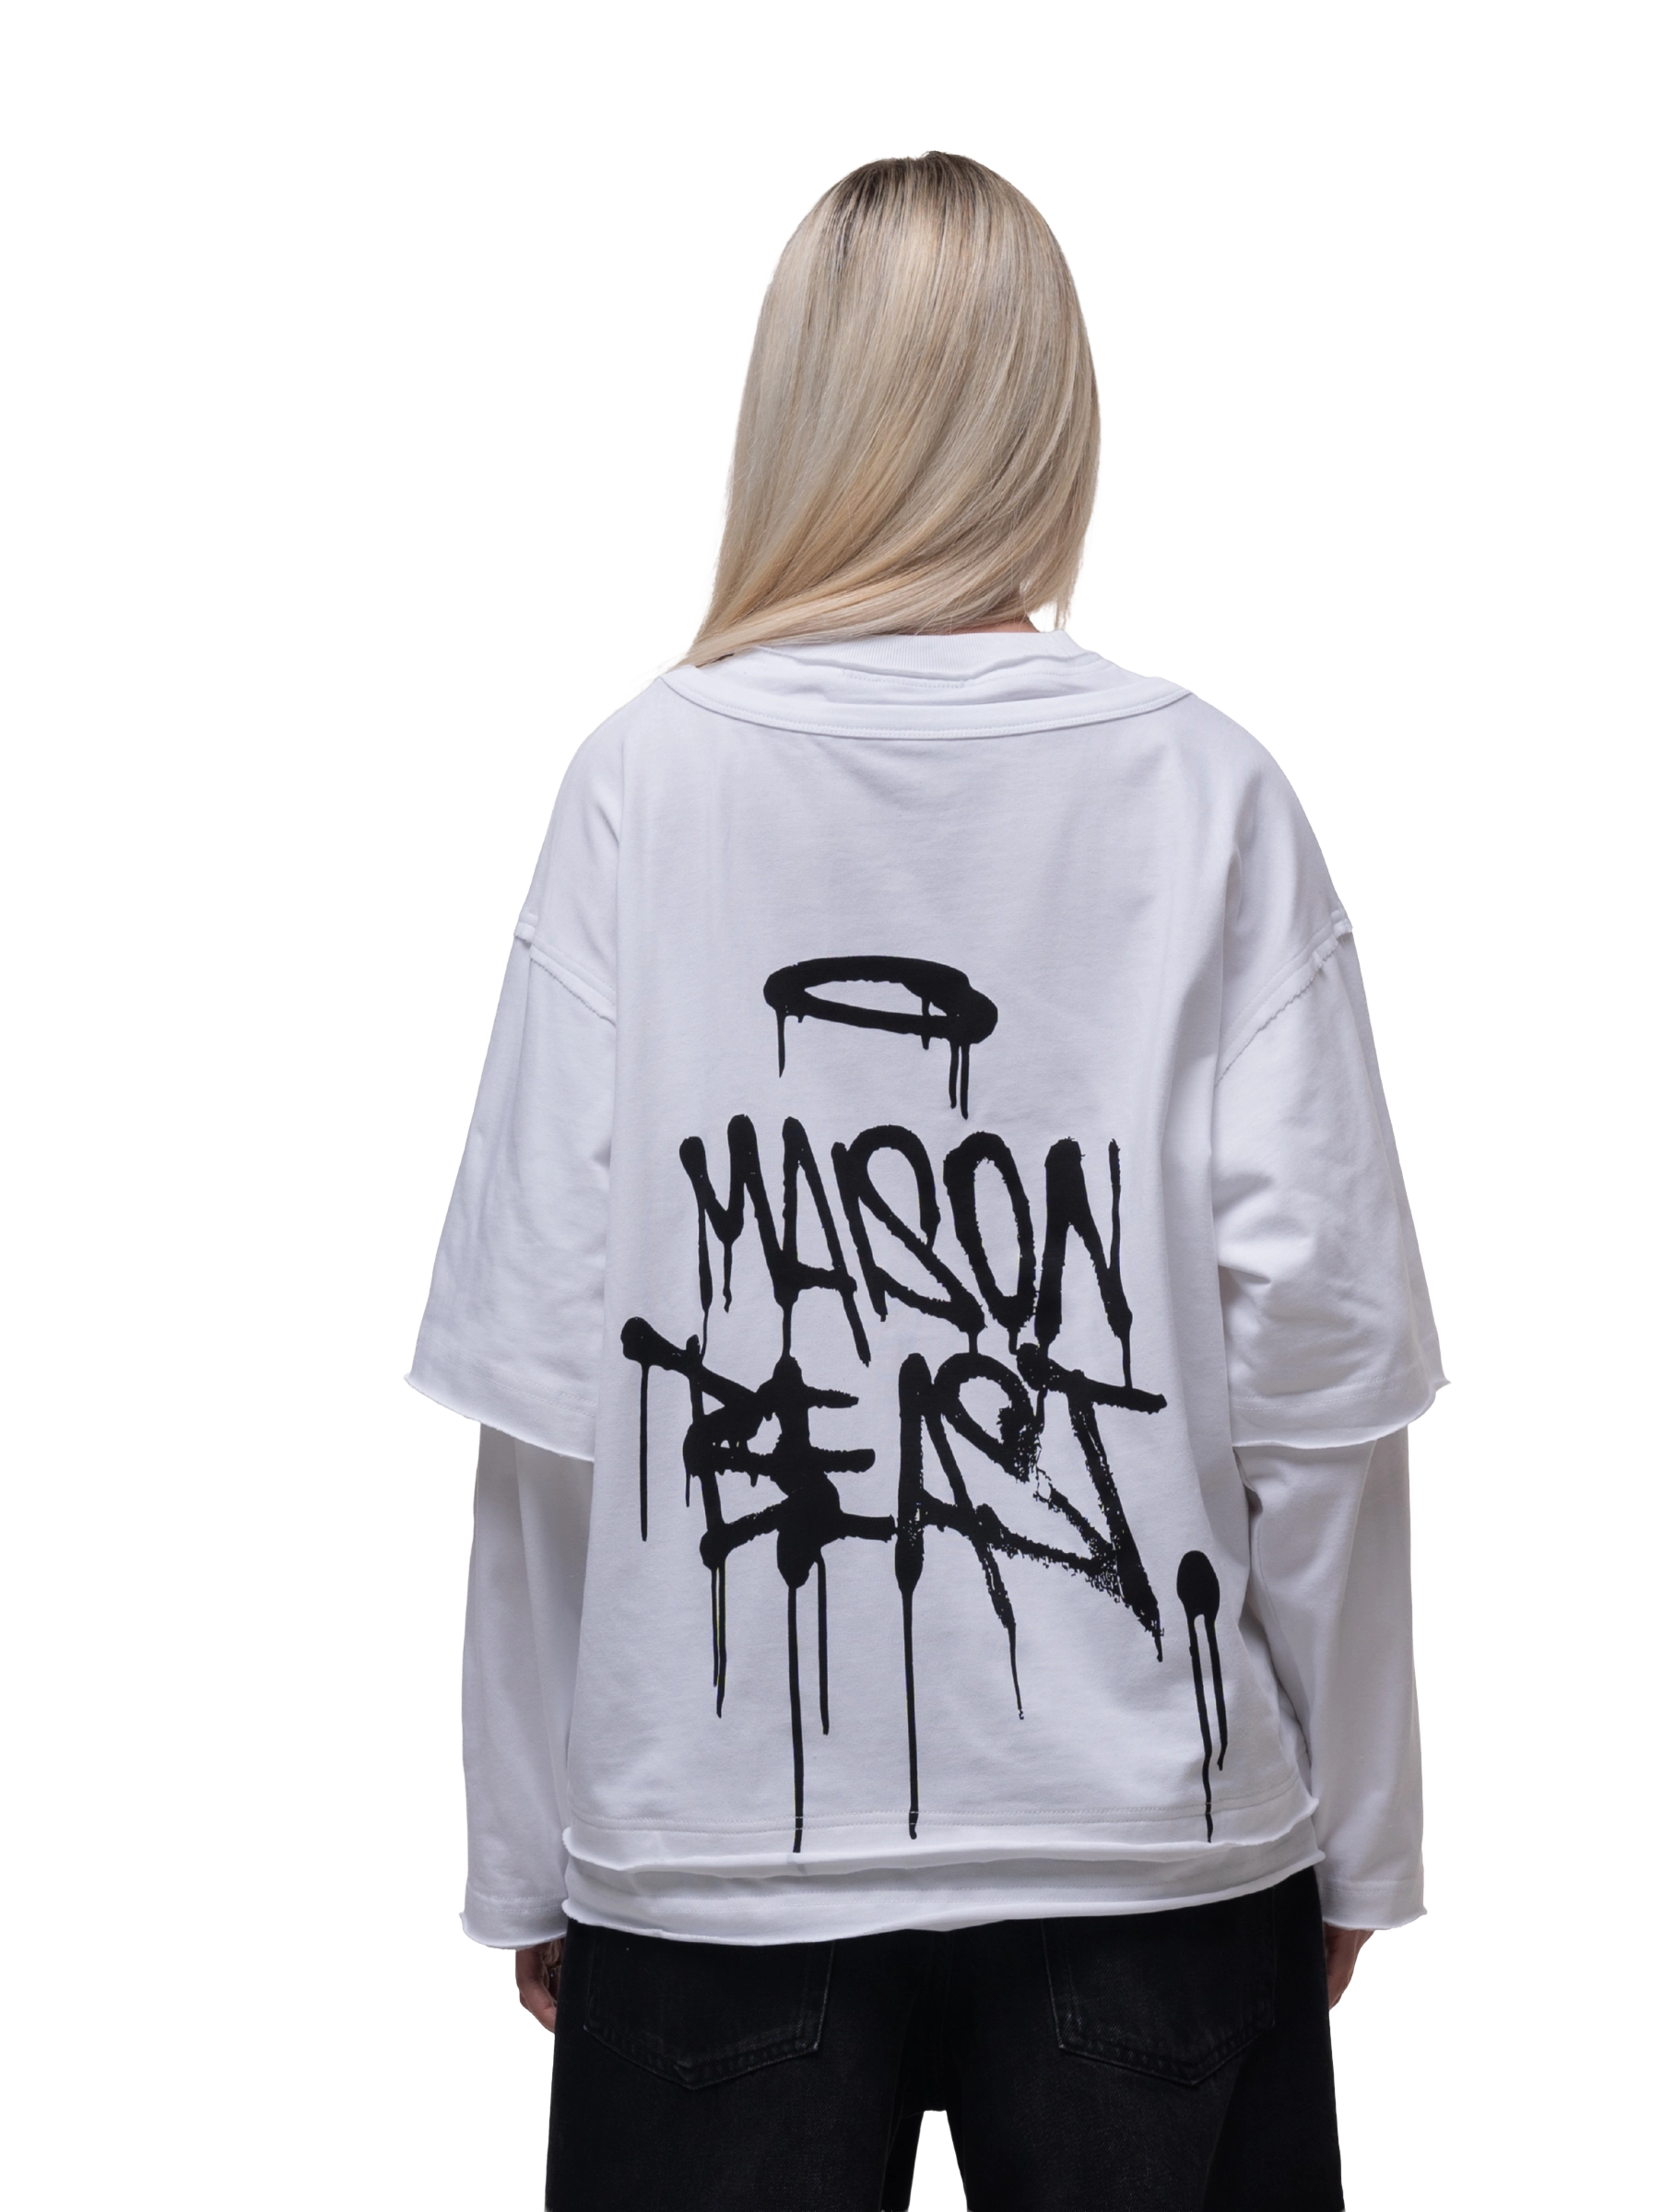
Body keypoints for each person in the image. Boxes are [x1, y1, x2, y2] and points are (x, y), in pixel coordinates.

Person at [408, 149, 1445, 2212]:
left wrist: (533, 1852)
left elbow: (547, 1384)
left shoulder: (644, 786)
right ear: (1054, 416)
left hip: (717, 1860)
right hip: (1153, 1845)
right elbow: (1322, 1383)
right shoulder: (1204, 785)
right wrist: (1358, 1835)